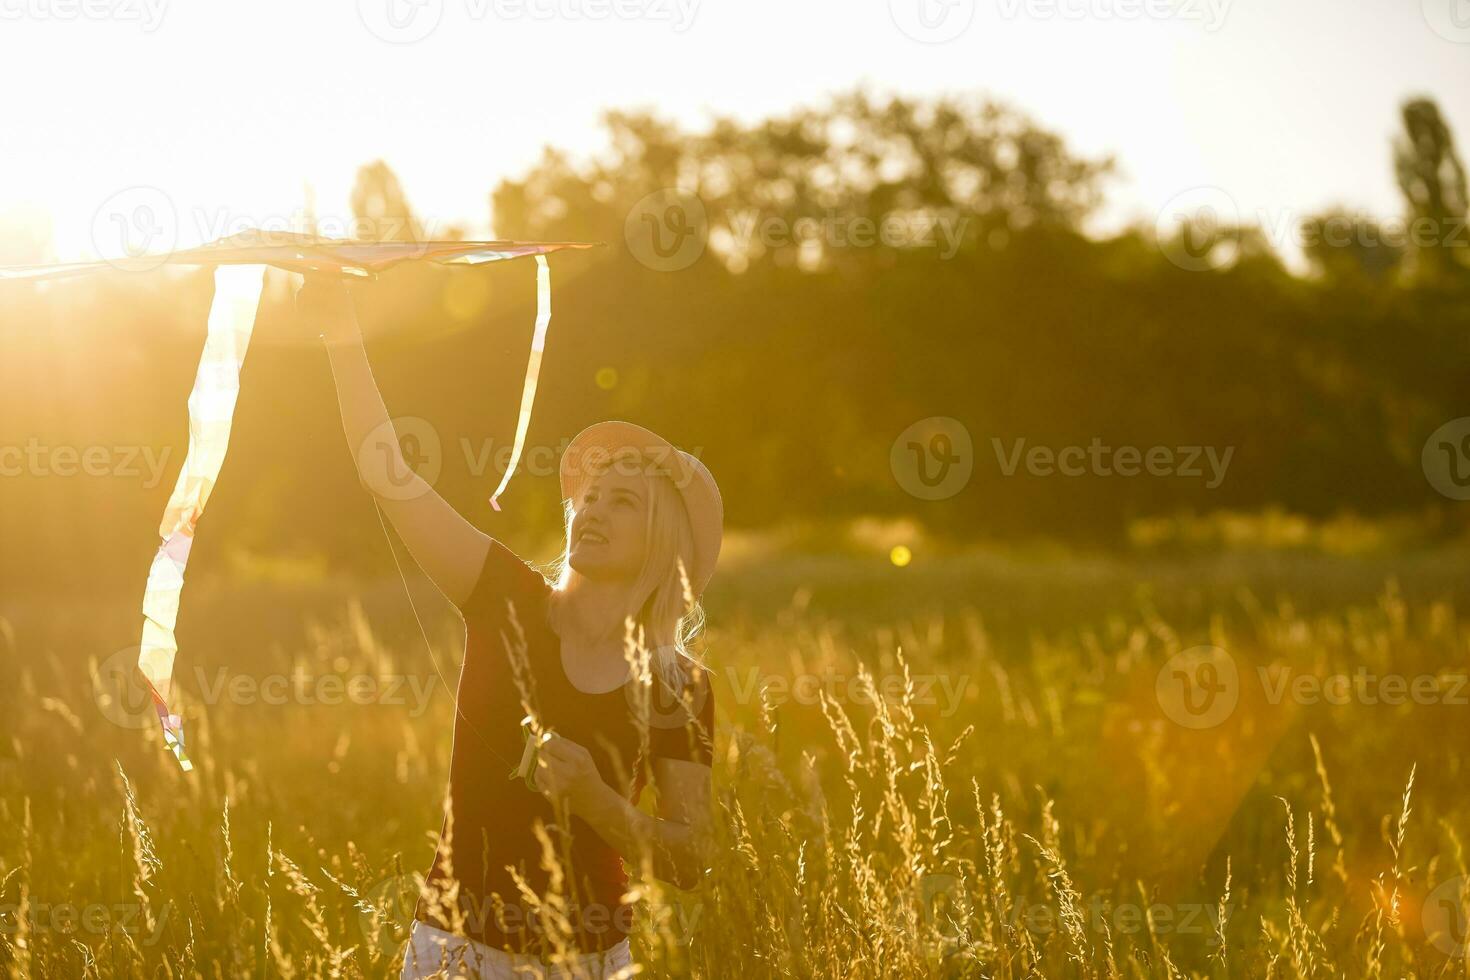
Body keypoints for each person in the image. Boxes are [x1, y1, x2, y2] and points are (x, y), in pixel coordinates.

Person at [298, 277, 721, 979]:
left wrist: (595, 799)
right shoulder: (506, 598)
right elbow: (390, 474)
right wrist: (341, 334)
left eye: (622, 503)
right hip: (450, 951)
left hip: (583, 962)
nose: (592, 511)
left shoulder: (679, 684)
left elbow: (690, 859)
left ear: (664, 541)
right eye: (589, 498)